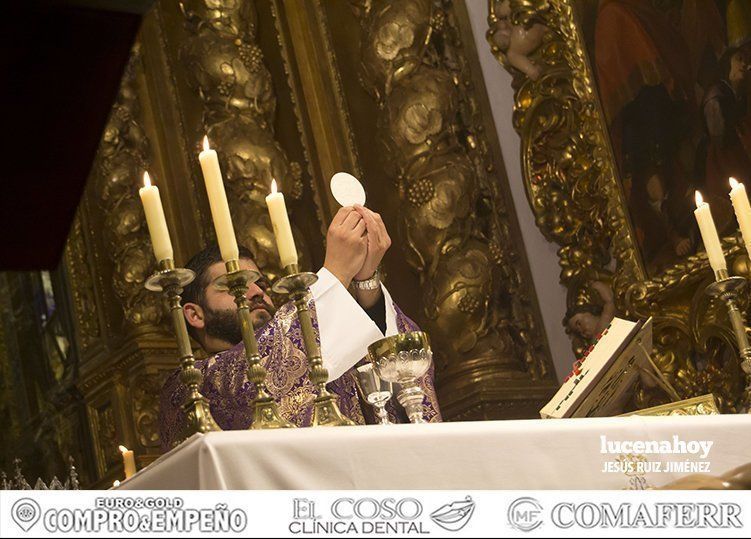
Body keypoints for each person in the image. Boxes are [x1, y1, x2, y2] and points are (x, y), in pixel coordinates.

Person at [159, 205, 441, 450]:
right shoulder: (190, 389)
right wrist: (336, 273)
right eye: (234, 285)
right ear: (194, 314)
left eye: (261, 283)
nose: (257, 292)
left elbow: (399, 367)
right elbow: (249, 379)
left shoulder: (322, 358)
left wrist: (365, 282)